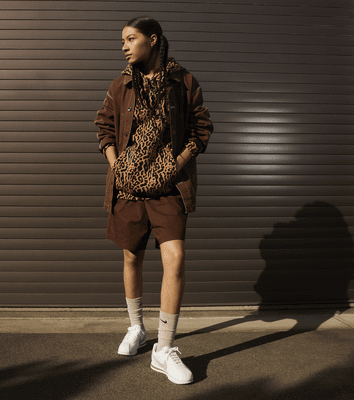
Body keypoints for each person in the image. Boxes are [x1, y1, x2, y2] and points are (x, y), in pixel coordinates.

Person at [94, 16, 213, 385]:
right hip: (128, 187)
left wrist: (174, 166)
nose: (124, 46)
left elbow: (201, 128)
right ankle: (136, 327)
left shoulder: (184, 82)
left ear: (153, 39)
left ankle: (164, 348)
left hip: (168, 187)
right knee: (132, 256)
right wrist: (118, 167)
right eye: (123, 41)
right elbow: (104, 127)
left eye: (131, 39)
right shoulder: (121, 84)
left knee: (175, 258)